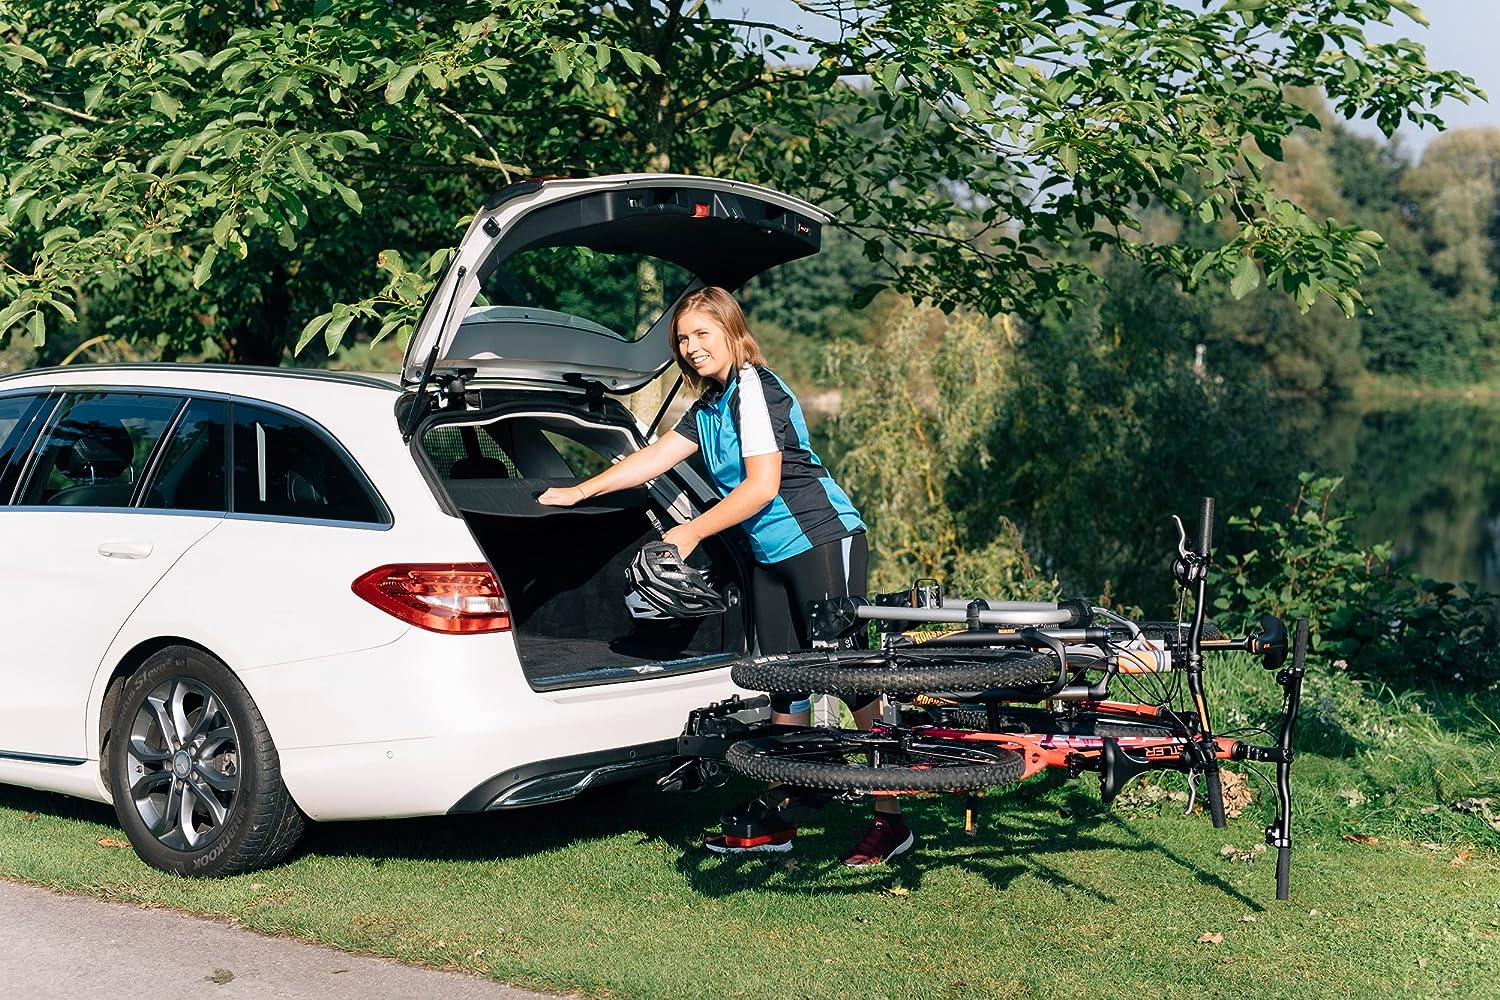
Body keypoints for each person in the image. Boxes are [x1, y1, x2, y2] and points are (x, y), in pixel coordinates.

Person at [538, 286, 911, 866]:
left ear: (733, 333)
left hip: (819, 538)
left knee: (849, 677)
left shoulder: (755, 389)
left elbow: (761, 486)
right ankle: (786, 812)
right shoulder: (710, 406)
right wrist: (579, 490)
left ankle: (892, 820)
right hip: (767, 551)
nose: (690, 348)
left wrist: (691, 533)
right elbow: (654, 457)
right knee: (784, 680)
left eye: (702, 335)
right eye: (683, 339)